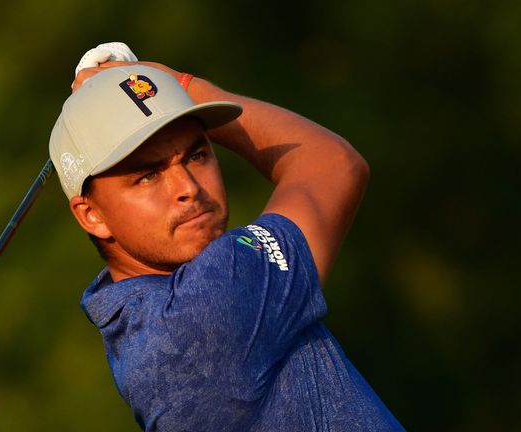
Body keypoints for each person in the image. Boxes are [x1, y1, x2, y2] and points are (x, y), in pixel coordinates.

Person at [49, 43, 404, 431]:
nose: (187, 187)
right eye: (147, 175)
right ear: (92, 215)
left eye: (196, 155)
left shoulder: (132, 323)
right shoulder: (205, 306)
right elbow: (332, 164)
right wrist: (181, 84)